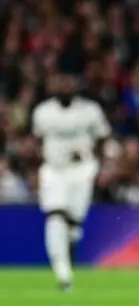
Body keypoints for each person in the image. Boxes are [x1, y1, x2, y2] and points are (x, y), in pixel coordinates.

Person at [31, 72, 111, 292]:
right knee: (55, 215)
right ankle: (63, 273)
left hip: (82, 170)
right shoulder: (43, 112)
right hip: (54, 171)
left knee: (73, 224)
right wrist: (36, 167)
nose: (65, 88)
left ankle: (70, 248)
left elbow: (103, 137)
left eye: (69, 84)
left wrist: (99, 166)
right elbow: (37, 141)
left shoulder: (90, 110)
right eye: (61, 84)